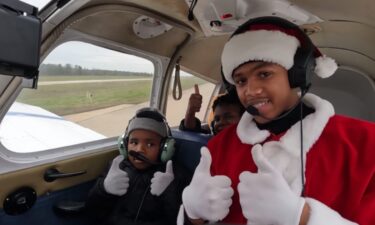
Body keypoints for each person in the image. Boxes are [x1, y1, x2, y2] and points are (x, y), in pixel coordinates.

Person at [178, 16, 375, 225]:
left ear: (296, 75)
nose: (251, 91)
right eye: (241, 80)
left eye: (264, 74)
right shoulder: (219, 147)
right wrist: (192, 214)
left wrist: (304, 217)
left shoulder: (366, 143)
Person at [86, 107, 191, 225]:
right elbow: (92, 213)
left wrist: (169, 192)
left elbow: (184, 220)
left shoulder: (177, 175)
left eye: (150, 144)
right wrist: (103, 188)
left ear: (165, 148)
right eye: (134, 142)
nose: (139, 149)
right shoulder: (117, 168)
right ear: (125, 145)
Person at [179, 84, 244, 135]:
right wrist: (191, 110)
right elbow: (191, 132)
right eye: (217, 119)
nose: (221, 122)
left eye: (228, 117)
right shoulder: (211, 143)